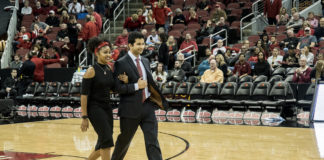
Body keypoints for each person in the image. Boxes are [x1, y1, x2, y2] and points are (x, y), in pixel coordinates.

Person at [112, 31, 168, 160]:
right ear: (130, 45)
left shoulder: (145, 60)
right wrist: (136, 86)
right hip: (130, 108)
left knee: (152, 141)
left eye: (143, 44)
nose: (141, 47)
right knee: (124, 141)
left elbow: (149, 83)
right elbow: (117, 88)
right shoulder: (121, 63)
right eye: (138, 44)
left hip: (147, 107)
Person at [80, 36, 127, 160]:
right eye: (105, 52)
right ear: (97, 53)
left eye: (109, 52)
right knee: (107, 140)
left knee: (103, 141)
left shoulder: (108, 68)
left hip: (107, 108)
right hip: (94, 108)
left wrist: (124, 81)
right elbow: (84, 96)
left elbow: (111, 88)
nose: (109, 55)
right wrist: (84, 117)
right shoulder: (91, 71)